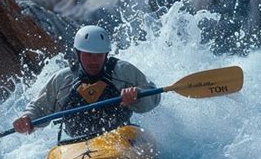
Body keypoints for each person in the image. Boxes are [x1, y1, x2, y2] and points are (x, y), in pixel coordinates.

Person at [13, 25, 161, 138]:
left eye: (98, 55)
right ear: (78, 53)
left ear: (106, 54)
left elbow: (153, 95)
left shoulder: (123, 71)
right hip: (76, 146)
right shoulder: (63, 80)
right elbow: (39, 108)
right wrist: (28, 119)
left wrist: (137, 94)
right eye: (88, 55)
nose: (94, 61)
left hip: (120, 135)